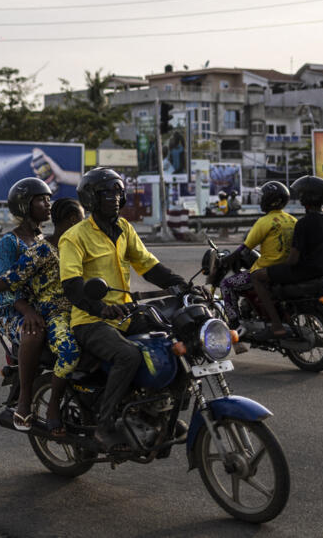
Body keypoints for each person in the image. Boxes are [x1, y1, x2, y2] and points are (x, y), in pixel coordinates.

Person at [59, 168, 188, 449]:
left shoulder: (124, 229)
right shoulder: (75, 236)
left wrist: (183, 284)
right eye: (107, 193)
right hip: (90, 320)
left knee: (177, 335)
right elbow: (72, 285)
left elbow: (148, 265)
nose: (114, 198)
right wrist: (100, 308)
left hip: (125, 314)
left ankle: (161, 409)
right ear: (92, 199)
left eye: (118, 192)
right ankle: (104, 425)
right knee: (128, 355)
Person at [0, 182, 84, 435]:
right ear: (25, 206)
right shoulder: (10, 241)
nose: (48, 204)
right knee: (33, 331)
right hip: (16, 313)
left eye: (49, 199)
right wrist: (26, 311)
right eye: (41, 200)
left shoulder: (44, 239)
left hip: (45, 308)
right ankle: (24, 402)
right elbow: (7, 284)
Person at [250, 175, 323, 340]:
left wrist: (279, 267)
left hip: (303, 273)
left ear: (308, 198)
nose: (300, 197)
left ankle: (276, 326)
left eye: (302, 195)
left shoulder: (303, 223)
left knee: (257, 277)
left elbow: (293, 260)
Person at [219, 181, 296, 322]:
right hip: (286, 270)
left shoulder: (264, 222)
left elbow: (244, 250)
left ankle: (235, 324)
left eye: (263, 197)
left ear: (269, 200)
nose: (260, 200)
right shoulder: (292, 220)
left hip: (266, 271)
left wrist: (226, 260)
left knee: (226, 284)